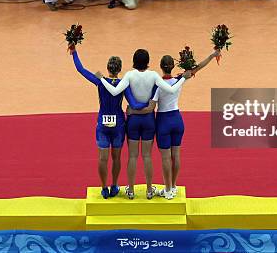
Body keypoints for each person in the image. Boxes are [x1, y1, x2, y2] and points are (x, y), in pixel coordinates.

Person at [127, 50, 220, 199]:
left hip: (163, 122)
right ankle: (174, 186)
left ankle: (168, 189)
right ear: (172, 66)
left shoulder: (158, 85)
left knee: (165, 158)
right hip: (177, 120)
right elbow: (197, 68)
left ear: (161, 67)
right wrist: (212, 55)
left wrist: (132, 111)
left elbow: (151, 108)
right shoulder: (179, 79)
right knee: (176, 155)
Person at [99, 49, 191, 200]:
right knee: (147, 156)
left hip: (133, 120)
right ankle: (149, 190)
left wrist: (102, 79)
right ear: (148, 62)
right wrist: (183, 78)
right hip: (148, 119)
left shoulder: (129, 75)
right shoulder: (154, 75)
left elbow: (115, 92)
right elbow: (171, 88)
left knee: (133, 156)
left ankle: (131, 190)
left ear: (134, 61)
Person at [70, 48, 147, 199]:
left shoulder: (100, 81)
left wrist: (74, 51)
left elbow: (80, 69)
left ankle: (104, 188)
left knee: (102, 158)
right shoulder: (123, 85)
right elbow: (134, 104)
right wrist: (149, 104)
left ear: (107, 68)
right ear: (119, 69)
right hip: (118, 125)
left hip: (103, 125)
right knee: (116, 158)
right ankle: (114, 185)